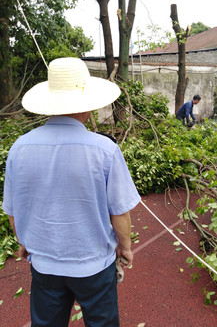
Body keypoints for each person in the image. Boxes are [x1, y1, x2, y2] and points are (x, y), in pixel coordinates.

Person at [3, 57, 141, 327]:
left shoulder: (20, 147)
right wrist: (125, 248)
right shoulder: (105, 149)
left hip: (44, 264)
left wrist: (23, 242)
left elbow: (12, 210)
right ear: (87, 104)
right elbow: (119, 212)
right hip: (94, 264)